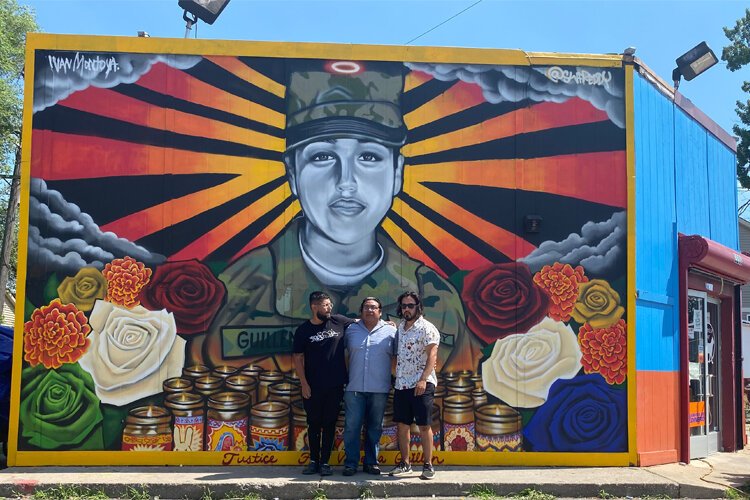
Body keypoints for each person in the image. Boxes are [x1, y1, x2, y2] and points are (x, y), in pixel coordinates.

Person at [191, 59, 480, 379]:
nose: (346, 182)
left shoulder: (435, 297)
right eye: (322, 156)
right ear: (292, 173)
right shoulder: (240, 291)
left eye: (369, 156)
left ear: (397, 173)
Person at [292, 291, 353, 476]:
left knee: (329, 424)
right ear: (314, 307)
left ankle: (325, 462)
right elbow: (297, 358)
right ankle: (313, 461)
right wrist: (304, 384)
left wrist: (385, 323)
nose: (329, 308)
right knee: (314, 423)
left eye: (329, 304)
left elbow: (360, 321)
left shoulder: (338, 321)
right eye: (325, 305)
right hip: (313, 386)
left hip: (335, 385)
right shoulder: (303, 330)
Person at [342, 297, 397, 476]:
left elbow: (398, 357)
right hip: (354, 388)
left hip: (379, 389)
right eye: (366, 307)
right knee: (352, 427)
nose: (369, 310)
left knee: (375, 427)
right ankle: (351, 463)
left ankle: (371, 462)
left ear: (380, 311)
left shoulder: (391, 331)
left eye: (373, 307)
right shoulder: (350, 330)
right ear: (361, 311)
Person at [389, 291, 439, 480]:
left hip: (421, 384)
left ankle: (428, 465)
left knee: (424, 425)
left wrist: (423, 379)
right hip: (402, 384)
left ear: (418, 307)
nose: (407, 309)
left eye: (411, 305)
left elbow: (432, 355)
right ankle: (405, 463)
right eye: (404, 306)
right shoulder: (400, 328)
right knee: (402, 425)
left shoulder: (427, 328)